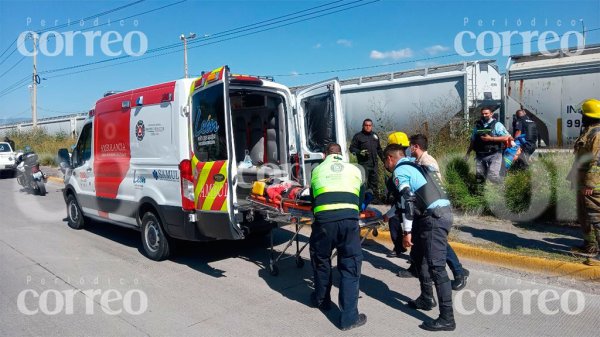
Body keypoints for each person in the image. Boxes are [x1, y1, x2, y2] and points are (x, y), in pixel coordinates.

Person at [383, 143, 456, 331]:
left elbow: (408, 200)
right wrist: (389, 215)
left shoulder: (399, 172)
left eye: (385, 160)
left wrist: (406, 232)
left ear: (390, 158)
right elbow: (407, 201)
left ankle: (447, 318)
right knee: (420, 259)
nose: (386, 164)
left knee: (436, 268)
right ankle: (426, 298)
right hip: (437, 213)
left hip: (433, 218)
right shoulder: (419, 165)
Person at [309, 143, 367, 331]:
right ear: (341, 155)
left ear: (325, 155)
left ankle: (322, 300)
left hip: (324, 222)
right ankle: (349, 318)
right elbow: (361, 198)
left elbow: (312, 198)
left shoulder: (317, 170)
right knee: (350, 265)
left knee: (321, 260)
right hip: (349, 221)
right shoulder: (355, 170)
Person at [567, 99, 600, 261]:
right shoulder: (589, 131)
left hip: (593, 184)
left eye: (583, 114)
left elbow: (596, 162)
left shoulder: (597, 134)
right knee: (584, 215)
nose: (581, 116)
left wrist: (589, 184)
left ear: (589, 115)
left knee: (595, 216)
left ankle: (598, 252)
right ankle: (590, 245)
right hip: (583, 181)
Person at [465, 107, 511, 183]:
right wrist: (468, 153)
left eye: (486, 113)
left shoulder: (497, 125)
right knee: (479, 177)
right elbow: (473, 140)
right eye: (483, 113)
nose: (484, 115)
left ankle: (501, 189)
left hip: (494, 154)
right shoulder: (478, 125)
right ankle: (481, 193)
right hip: (480, 154)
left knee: (493, 176)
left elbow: (507, 137)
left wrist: (491, 139)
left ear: (491, 114)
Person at [383, 131, 410, 258]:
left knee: (399, 218)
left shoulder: (402, 162)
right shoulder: (408, 155)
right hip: (403, 197)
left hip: (407, 197)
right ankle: (399, 246)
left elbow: (406, 197)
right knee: (394, 219)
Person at [349, 118, 384, 195]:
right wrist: (359, 152)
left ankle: (374, 199)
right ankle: (363, 199)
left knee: (374, 182)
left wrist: (384, 159)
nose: (368, 127)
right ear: (363, 126)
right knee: (364, 183)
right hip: (364, 164)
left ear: (372, 126)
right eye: (366, 125)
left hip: (374, 163)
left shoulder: (375, 136)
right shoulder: (358, 136)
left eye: (369, 125)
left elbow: (379, 149)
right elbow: (351, 148)